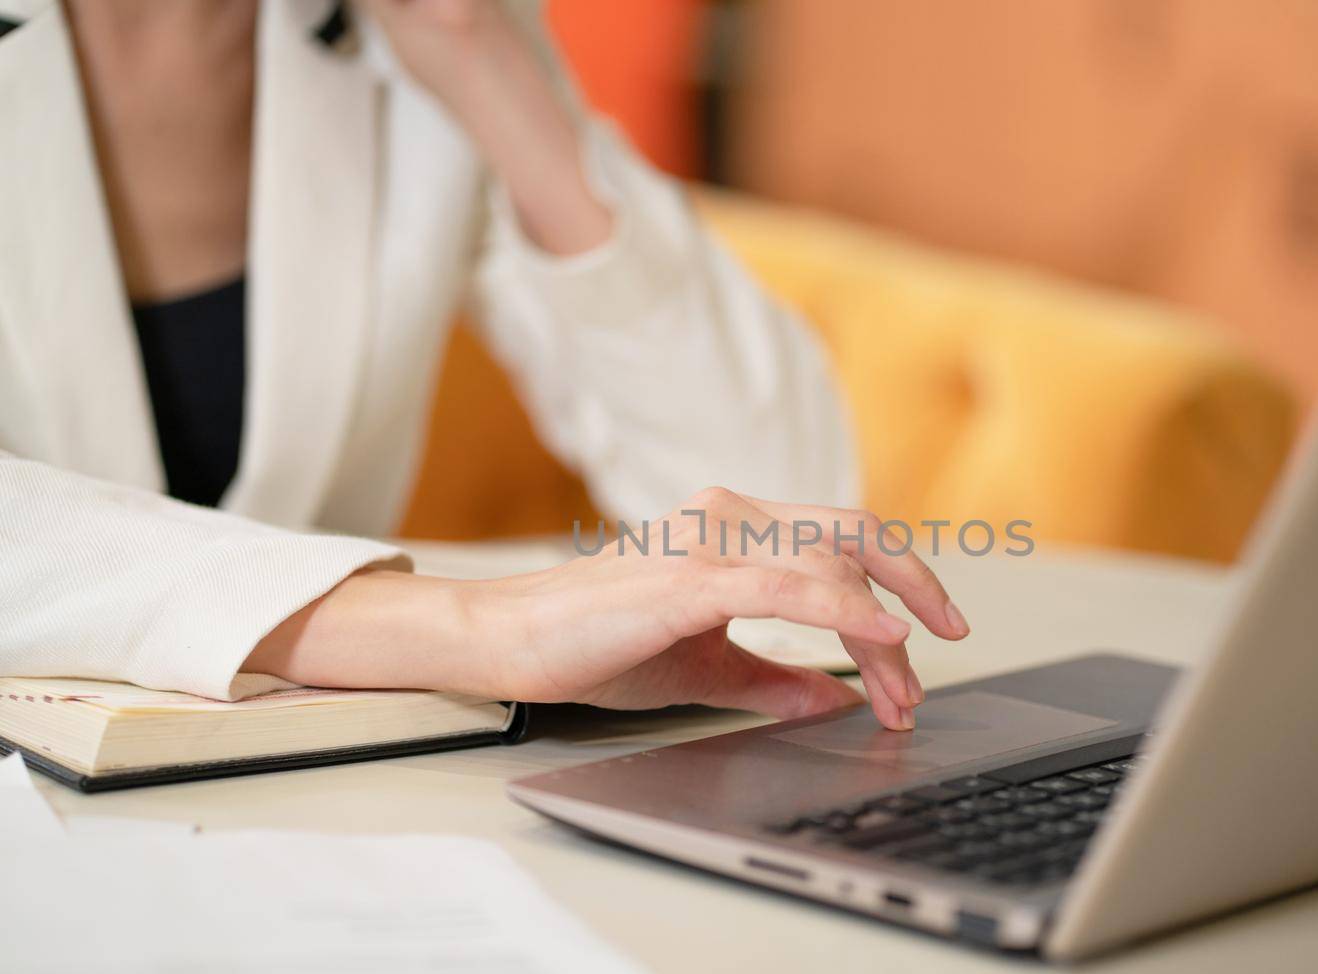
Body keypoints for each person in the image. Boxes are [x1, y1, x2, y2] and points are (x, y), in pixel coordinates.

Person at [0, 0, 967, 731]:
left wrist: (481, 55)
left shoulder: (411, 32)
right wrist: (469, 629)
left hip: (294, 794)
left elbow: (786, 519)